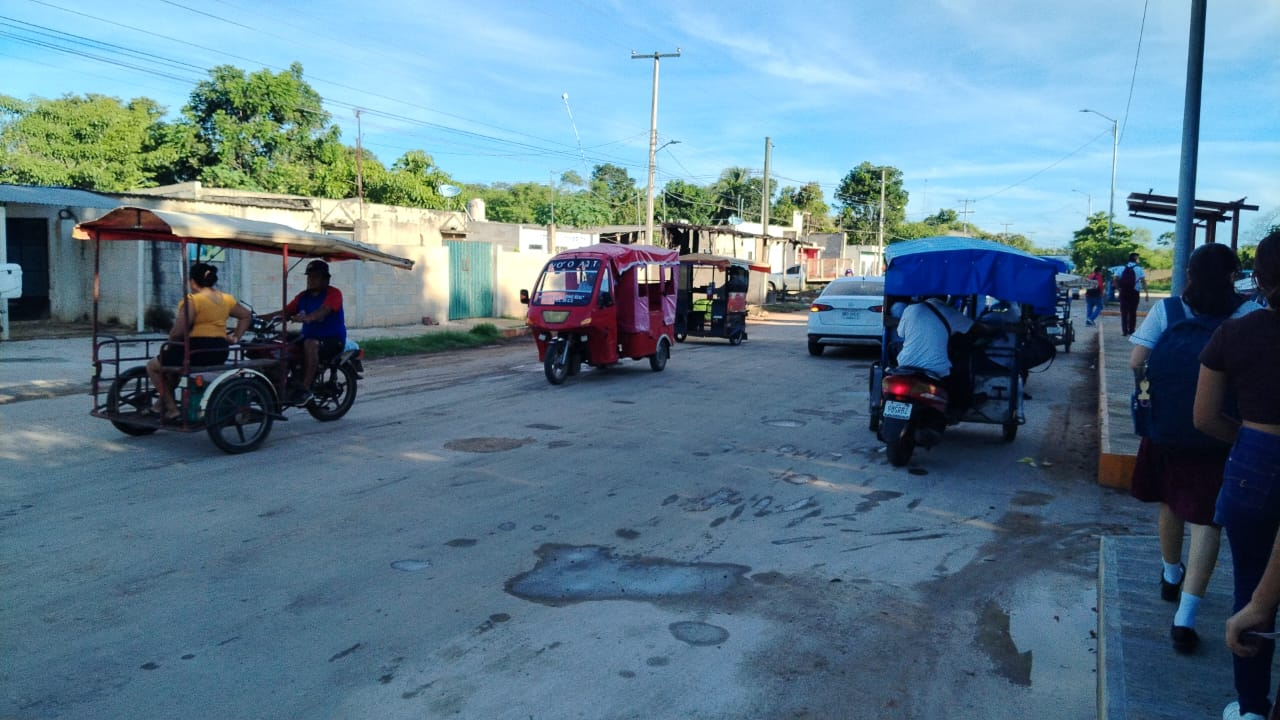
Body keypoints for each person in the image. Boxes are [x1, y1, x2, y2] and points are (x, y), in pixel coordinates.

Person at [1128, 243, 1261, 655]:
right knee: (1206, 520)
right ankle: (1185, 619)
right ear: (1233, 275)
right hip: (1219, 431)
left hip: (1166, 426)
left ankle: (1170, 574)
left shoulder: (1167, 311)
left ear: (1188, 273)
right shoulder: (1248, 314)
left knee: (1169, 501)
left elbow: (1136, 360)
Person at [1197, 230, 1280, 720]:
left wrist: (1251, 443)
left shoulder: (1236, 332)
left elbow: (1204, 417)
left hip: (1255, 456)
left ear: (1261, 278)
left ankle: (1250, 708)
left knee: (1250, 586)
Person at [146, 262, 252, 420]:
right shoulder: (226, 299)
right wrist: (236, 337)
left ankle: (172, 408)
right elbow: (246, 315)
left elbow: (179, 331)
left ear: (193, 282)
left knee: (153, 366)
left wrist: (170, 341)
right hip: (219, 351)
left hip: (195, 350)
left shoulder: (193, 300)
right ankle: (159, 405)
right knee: (172, 369)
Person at [894, 296, 1000, 411]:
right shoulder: (950, 313)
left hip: (904, 364)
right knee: (960, 368)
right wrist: (995, 329)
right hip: (935, 369)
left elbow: (901, 333)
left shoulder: (910, 309)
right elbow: (977, 328)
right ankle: (962, 404)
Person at [264, 259, 346, 405]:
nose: (311, 280)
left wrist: (308, 317)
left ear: (326, 279)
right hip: (309, 336)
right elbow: (285, 312)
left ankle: (304, 389)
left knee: (310, 343)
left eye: (315, 276)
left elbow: (323, 311)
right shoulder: (303, 296)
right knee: (278, 341)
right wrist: (258, 319)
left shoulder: (334, 293)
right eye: (309, 276)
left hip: (333, 340)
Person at [1118, 252, 1146, 336]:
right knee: (1133, 312)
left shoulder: (1121, 268)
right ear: (1136, 259)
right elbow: (1143, 281)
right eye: (1138, 258)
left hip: (1123, 292)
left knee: (1124, 312)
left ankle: (1124, 331)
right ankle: (1131, 330)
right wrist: (1147, 293)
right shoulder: (1139, 269)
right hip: (1134, 292)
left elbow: (1115, 279)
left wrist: (1119, 288)